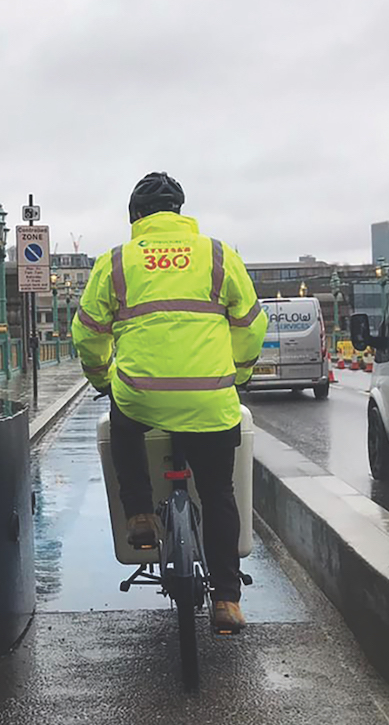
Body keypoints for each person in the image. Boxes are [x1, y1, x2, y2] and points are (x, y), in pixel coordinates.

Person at [72, 172, 269, 635]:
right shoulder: (218, 254)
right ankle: (226, 600)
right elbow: (251, 325)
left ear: (135, 217)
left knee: (122, 422)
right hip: (209, 399)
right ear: (180, 213)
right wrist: (237, 374)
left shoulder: (116, 261)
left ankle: (139, 513)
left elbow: (87, 330)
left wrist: (102, 377)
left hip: (142, 396)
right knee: (219, 491)